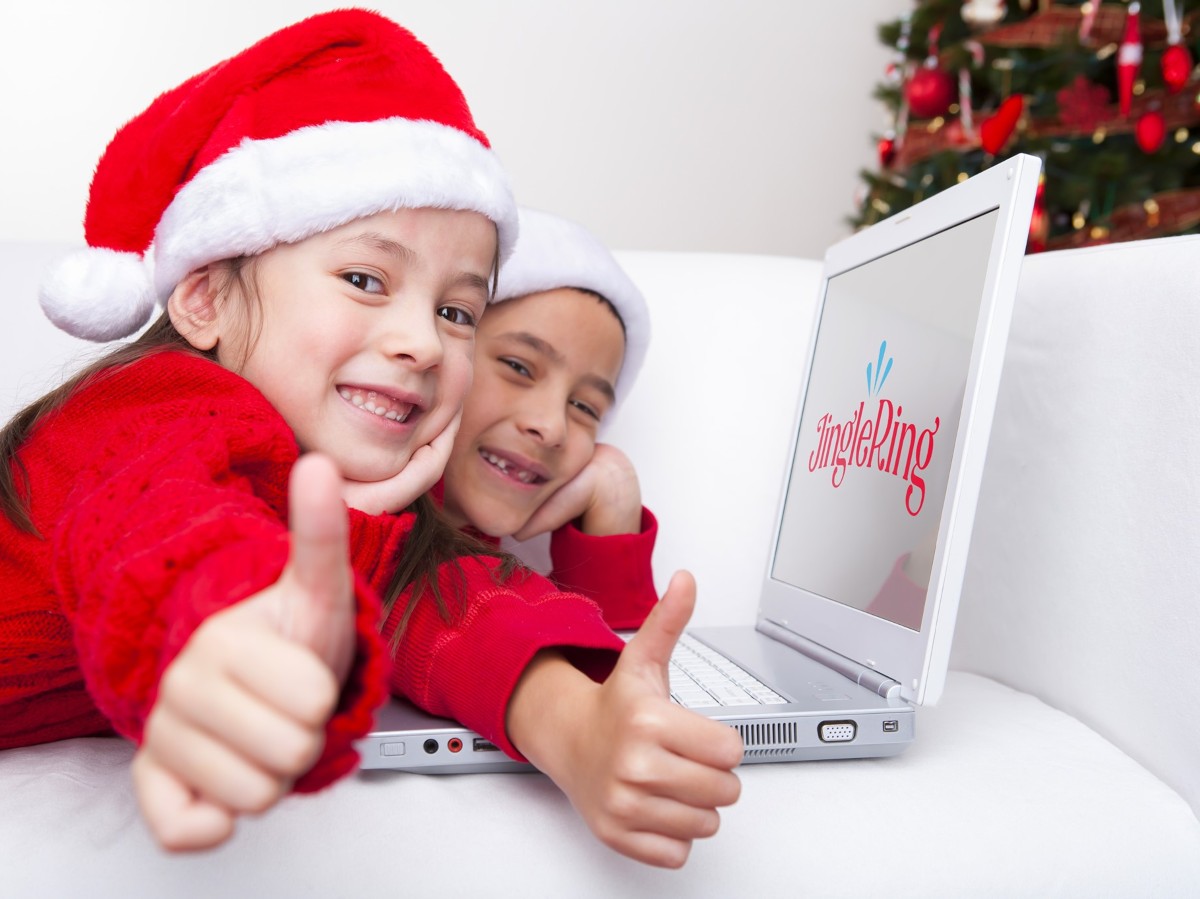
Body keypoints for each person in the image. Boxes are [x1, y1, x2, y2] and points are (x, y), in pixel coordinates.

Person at [0, 10, 741, 868]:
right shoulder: (153, 408)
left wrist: (582, 732)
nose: (423, 342)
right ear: (202, 299)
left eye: (456, 311)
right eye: (364, 278)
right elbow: (158, 531)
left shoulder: (346, 501)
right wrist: (224, 633)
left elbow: (458, 612)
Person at [438, 207, 658, 629]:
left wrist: (613, 501)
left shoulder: (493, 578)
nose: (552, 427)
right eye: (519, 368)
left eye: (584, 407)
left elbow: (619, 673)